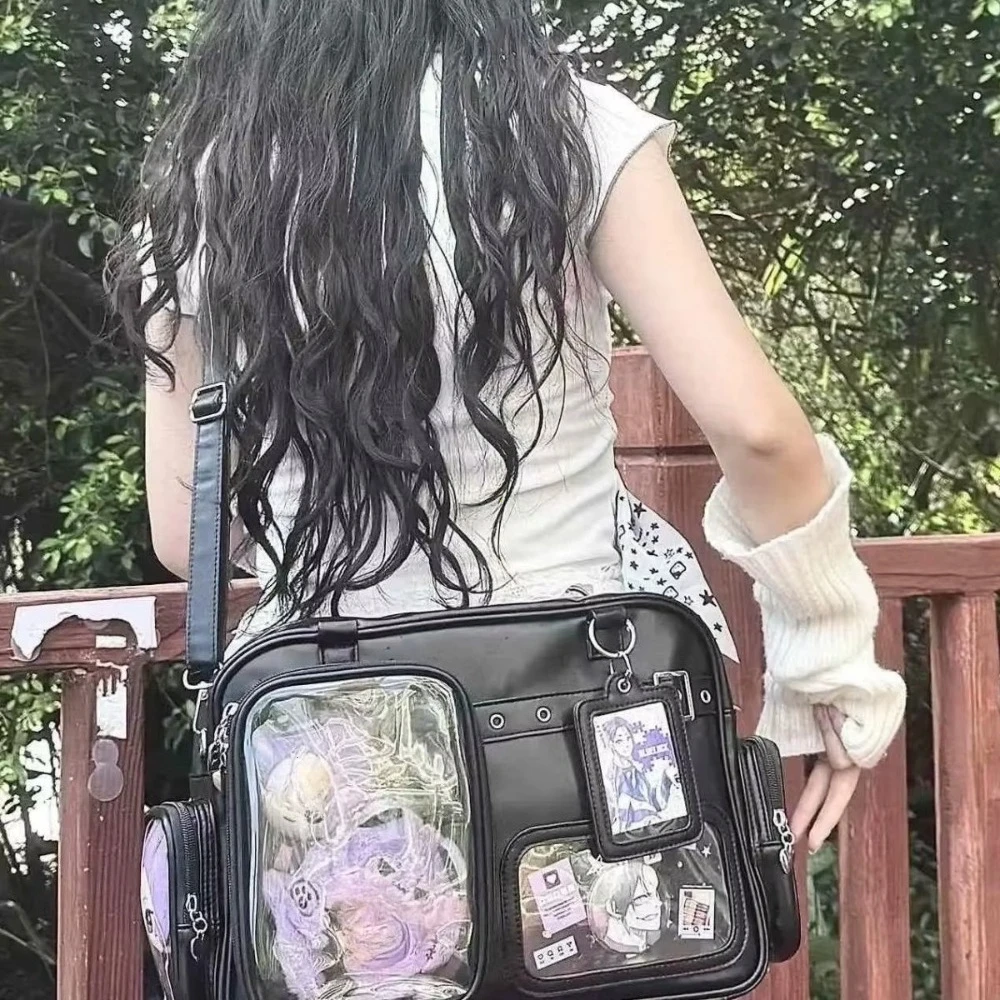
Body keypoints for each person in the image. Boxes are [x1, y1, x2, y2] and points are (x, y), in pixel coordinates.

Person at [108, 0, 905, 858]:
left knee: (354, 929)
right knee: (634, 923)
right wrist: (827, 663)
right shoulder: (565, 130)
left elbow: (188, 534)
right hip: (589, 703)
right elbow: (758, 433)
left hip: (328, 736)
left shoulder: (205, 190)